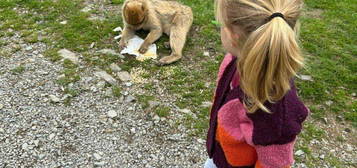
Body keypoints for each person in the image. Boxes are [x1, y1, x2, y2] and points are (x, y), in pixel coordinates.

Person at [205, 0, 309, 167]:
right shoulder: (234, 60)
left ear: (234, 37)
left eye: (221, 24)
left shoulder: (276, 110)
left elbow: (274, 164)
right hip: (221, 156)